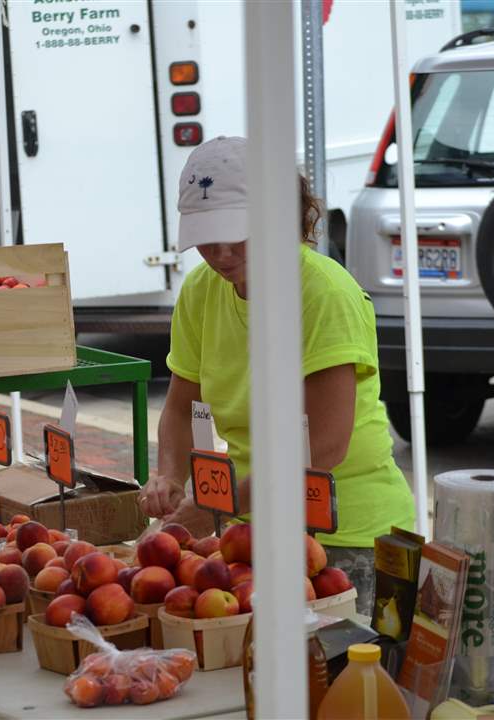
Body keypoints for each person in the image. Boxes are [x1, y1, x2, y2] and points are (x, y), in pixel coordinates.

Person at [138, 137, 415, 613]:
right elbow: (182, 407)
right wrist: (168, 475)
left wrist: (217, 504)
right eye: (207, 236)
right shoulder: (202, 290)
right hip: (253, 527)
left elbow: (323, 446)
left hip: (348, 537)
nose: (222, 253)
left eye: (238, 232)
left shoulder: (323, 293)